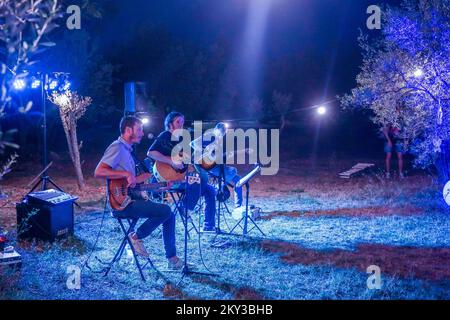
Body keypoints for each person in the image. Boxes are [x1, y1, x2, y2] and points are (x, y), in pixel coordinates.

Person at [94, 116, 184, 270]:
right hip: (122, 204)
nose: (142, 133)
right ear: (128, 130)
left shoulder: (128, 152)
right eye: (139, 129)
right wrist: (126, 175)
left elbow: (134, 186)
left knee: (170, 215)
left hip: (131, 198)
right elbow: (99, 171)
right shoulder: (117, 147)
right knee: (166, 210)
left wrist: (160, 187)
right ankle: (136, 236)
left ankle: (172, 259)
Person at [147, 112, 218, 232]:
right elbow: (151, 153)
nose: (181, 125)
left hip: (181, 178)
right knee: (201, 178)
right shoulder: (165, 136)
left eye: (182, 122)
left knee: (210, 190)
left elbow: (186, 162)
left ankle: (208, 226)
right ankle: (184, 207)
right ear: (170, 124)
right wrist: (171, 161)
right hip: (168, 178)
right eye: (178, 122)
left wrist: (201, 156)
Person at [190, 122, 243, 211]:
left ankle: (238, 207)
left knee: (238, 179)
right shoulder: (211, 136)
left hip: (211, 166)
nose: (223, 133)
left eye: (224, 132)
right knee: (233, 171)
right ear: (216, 129)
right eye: (222, 131)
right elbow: (193, 144)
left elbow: (215, 157)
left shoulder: (217, 141)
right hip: (203, 166)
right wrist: (205, 152)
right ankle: (220, 185)